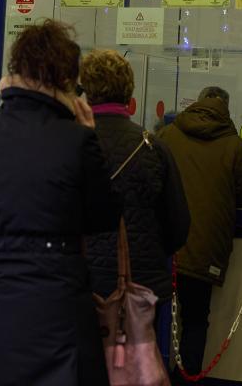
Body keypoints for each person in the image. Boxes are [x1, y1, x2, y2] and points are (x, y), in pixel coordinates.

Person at [0, 20, 119, 385]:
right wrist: (90, 138)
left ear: (14, 72)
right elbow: (104, 217)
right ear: (66, 79)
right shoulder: (76, 142)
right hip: (57, 318)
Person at [158, 86, 242, 382]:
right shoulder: (235, 146)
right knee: (195, 321)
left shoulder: (168, 135)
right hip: (203, 250)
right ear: (225, 109)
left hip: (163, 245)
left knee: (153, 318)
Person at [80, 49, 190, 307]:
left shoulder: (69, 144)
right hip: (141, 286)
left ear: (86, 90)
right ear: (129, 91)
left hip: (82, 284)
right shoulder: (152, 146)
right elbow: (178, 225)